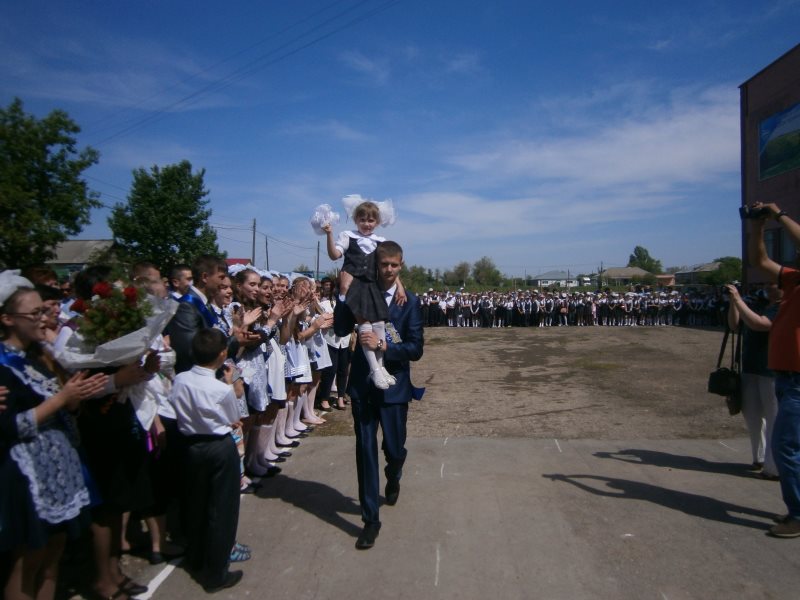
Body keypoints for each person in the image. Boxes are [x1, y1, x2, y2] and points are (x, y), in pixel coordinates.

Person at [0, 271, 109, 600]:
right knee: (28, 560)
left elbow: (63, 404)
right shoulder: (4, 365)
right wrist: (62, 399)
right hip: (25, 472)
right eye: (34, 313)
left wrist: (74, 398)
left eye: (44, 311)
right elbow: (10, 427)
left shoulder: (39, 357)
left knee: (53, 553)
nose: (45, 318)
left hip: (57, 464)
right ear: (6, 319)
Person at [334, 241, 424, 550]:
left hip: (395, 386)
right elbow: (340, 326)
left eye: (393, 265)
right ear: (376, 264)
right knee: (365, 450)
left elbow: (415, 348)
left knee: (394, 448)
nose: (387, 270)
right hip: (363, 385)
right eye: (383, 264)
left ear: (401, 266)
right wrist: (344, 293)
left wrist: (385, 345)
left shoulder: (408, 301)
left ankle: (395, 470)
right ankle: (370, 519)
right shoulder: (360, 290)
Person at [170, 328, 244, 592]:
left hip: (191, 445)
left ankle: (197, 555)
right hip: (217, 446)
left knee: (196, 502)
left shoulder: (180, 379)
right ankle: (216, 571)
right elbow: (232, 416)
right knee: (222, 508)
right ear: (222, 354)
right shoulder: (219, 388)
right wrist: (228, 383)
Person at [747, 201, 800, 537]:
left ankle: (798, 513)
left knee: (785, 446)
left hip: (797, 380)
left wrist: (778, 213)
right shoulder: (793, 279)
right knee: (789, 444)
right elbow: (760, 261)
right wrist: (757, 226)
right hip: (785, 377)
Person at [322, 200, 405, 390]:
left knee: (379, 324)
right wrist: (329, 234)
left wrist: (399, 286)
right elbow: (335, 255)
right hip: (353, 285)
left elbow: (389, 265)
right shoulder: (348, 236)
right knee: (365, 325)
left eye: (371, 220)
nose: (367, 224)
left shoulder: (381, 241)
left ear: (376, 222)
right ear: (356, 220)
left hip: (371, 286)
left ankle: (381, 367)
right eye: (363, 220)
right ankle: (374, 369)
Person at [725, 283, 780, 479]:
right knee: (752, 415)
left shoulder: (783, 307)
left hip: (772, 369)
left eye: (774, 284)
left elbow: (760, 324)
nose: (769, 287)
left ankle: (774, 467)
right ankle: (759, 457)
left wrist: (739, 300)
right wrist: (734, 303)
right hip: (750, 366)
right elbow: (734, 324)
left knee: (774, 418)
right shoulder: (759, 304)